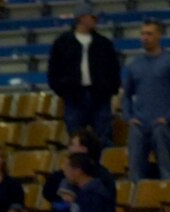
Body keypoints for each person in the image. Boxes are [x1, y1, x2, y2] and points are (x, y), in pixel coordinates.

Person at [123, 20, 170, 182]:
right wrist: (129, 117)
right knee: (135, 171)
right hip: (139, 125)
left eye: (149, 34)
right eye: (143, 34)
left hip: (162, 125)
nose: (145, 37)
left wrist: (169, 117)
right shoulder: (134, 65)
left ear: (159, 35)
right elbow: (126, 95)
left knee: (167, 170)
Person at [46, 8, 121, 141]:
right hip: (74, 97)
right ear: (81, 18)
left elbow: (113, 69)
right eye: (92, 17)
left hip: (100, 97)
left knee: (103, 136)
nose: (95, 20)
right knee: (76, 138)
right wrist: (63, 89)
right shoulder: (62, 42)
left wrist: (109, 89)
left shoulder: (103, 43)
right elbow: (53, 69)